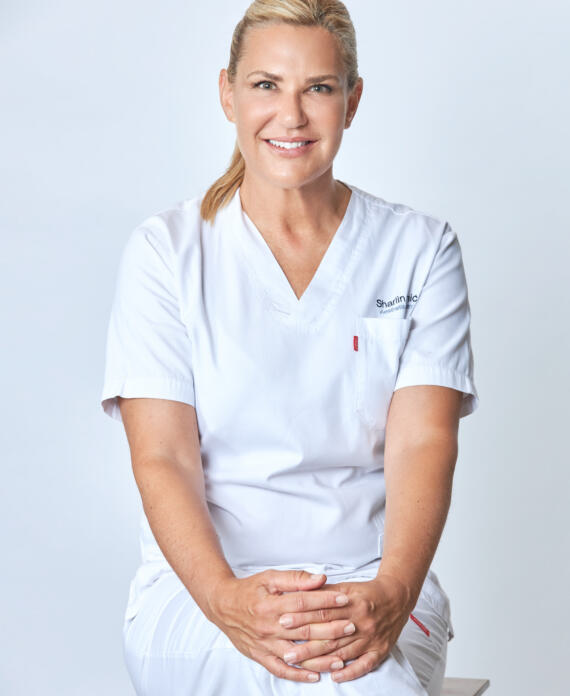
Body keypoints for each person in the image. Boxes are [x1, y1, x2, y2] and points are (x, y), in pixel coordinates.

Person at [100, 1, 479, 694]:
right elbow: (163, 456)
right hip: (202, 591)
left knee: (362, 681)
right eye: (266, 85)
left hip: (373, 580)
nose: (292, 115)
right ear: (228, 94)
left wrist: (391, 593)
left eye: (319, 88)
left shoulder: (420, 250)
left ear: (352, 101)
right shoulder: (167, 254)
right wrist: (227, 601)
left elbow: (423, 442)